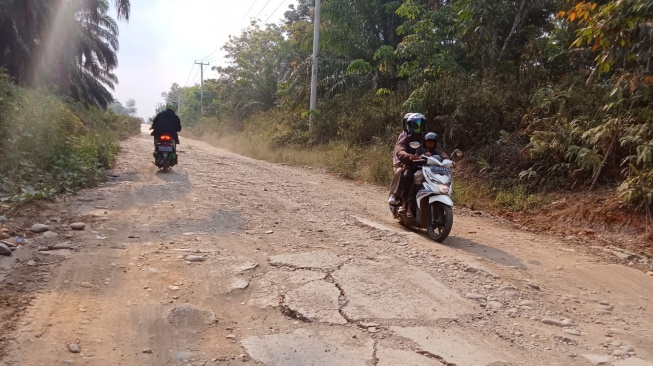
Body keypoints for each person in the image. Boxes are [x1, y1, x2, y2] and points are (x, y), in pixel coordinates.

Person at [403, 132, 450, 216]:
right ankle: (408, 206)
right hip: (420, 170)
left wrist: (447, 159)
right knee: (415, 182)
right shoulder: (420, 150)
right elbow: (416, 156)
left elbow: (443, 157)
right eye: (428, 141)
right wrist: (421, 156)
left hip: (432, 173)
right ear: (424, 142)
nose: (430, 143)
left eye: (432, 142)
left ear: (435, 143)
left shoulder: (437, 152)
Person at [394, 113, 427, 216]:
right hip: (411, 166)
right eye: (415, 125)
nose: (417, 127)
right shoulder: (405, 139)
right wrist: (409, 156)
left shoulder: (426, 139)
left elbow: (438, 149)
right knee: (407, 175)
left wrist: (446, 157)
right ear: (409, 125)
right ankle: (404, 204)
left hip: (426, 167)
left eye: (420, 124)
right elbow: (400, 150)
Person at [388, 113, 413, 205]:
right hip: (403, 162)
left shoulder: (422, 136)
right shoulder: (402, 136)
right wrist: (400, 163)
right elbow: (397, 151)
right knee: (400, 172)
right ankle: (393, 194)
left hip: (417, 163)